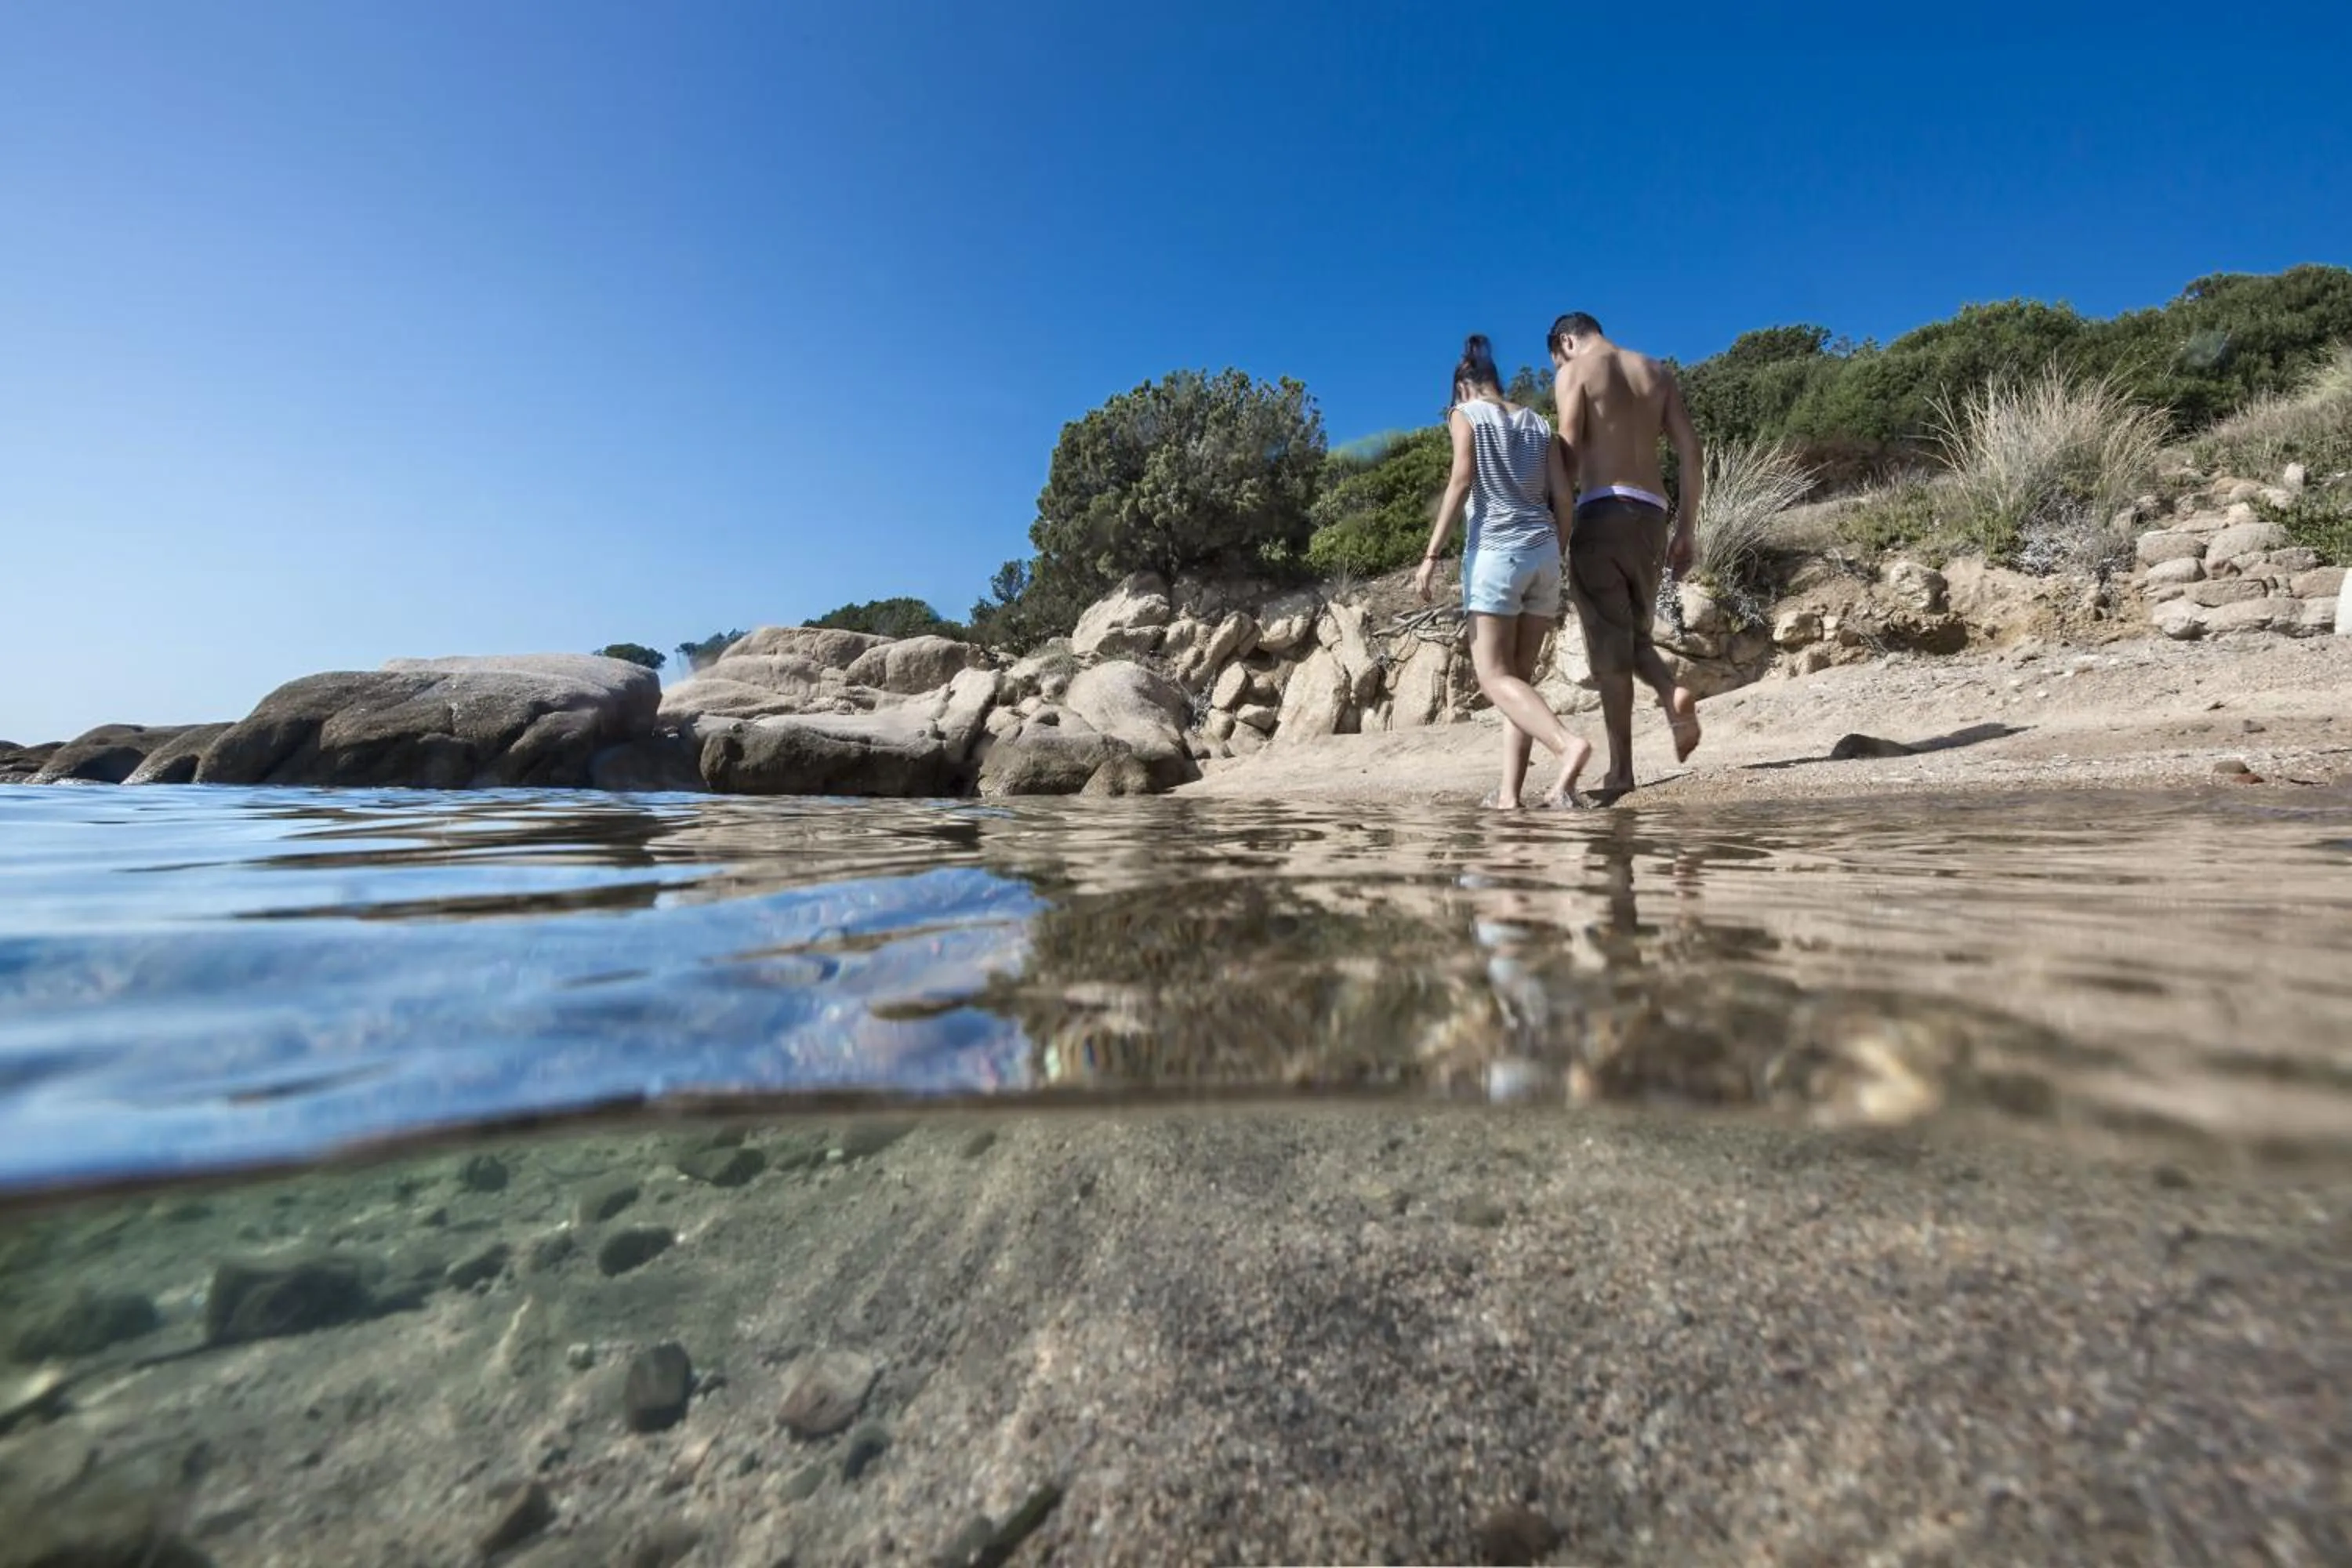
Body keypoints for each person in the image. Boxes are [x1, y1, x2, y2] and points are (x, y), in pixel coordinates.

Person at [1414, 334, 1592, 809]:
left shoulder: (1465, 414)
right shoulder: (1537, 422)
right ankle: (1510, 798)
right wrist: (1558, 550)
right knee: (1519, 681)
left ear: (1463, 389)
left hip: (1496, 554)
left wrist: (1432, 555)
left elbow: (1461, 479)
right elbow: (1563, 499)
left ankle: (1566, 745)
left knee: (1494, 679)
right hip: (1543, 555)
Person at [1549, 311, 1704, 799]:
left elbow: (1568, 455)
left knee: (1608, 648)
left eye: (1555, 356)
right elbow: (1691, 450)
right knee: (1633, 633)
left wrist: (1555, 524)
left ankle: (1621, 771)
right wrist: (1687, 529)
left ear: (1566, 341)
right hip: (1653, 514)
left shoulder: (1574, 372)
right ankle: (1670, 691)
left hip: (1601, 511)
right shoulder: (1655, 371)